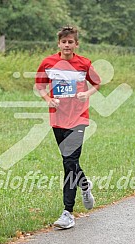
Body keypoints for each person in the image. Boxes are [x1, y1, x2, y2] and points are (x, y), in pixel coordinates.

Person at [35, 26, 101, 229]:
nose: (67, 45)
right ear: (59, 44)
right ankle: (85, 185)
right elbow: (39, 86)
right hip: (58, 119)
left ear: (76, 44)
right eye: (64, 42)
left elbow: (97, 83)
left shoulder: (84, 63)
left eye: (70, 42)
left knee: (69, 161)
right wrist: (48, 99)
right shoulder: (48, 63)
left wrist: (86, 94)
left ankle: (68, 212)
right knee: (68, 160)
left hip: (79, 118)